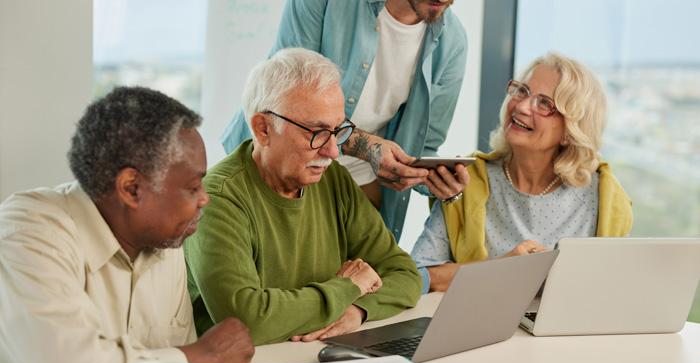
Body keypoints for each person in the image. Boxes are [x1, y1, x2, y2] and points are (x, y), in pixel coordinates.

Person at [0, 87, 254, 363]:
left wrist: (191, 362)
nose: (205, 199)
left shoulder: (164, 239)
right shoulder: (27, 230)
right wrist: (206, 355)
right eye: (191, 187)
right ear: (131, 188)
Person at [184, 48, 422, 345]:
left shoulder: (334, 179)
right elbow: (245, 322)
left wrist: (357, 309)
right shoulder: (217, 198)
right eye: (318, 132)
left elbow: (405, 275)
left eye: (337, 130)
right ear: (263, 129)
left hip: (319, 359)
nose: (333, 151)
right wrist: (346, 287)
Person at [219, 0, 470, 241]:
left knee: (375, 274)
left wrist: (439, 184)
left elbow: (424, 147)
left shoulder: (453, 43)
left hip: (357, 179)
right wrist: (368, 147)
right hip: (282, 167)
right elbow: (286, 106)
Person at [411, 52, 634, 293]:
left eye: (545, 103)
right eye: (523, 91)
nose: (523, 106)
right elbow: (417, 276)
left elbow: (615, 289)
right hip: (481, 327)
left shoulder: (602, 197)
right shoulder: (469, 179)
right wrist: (502, 268)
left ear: (571, 130)